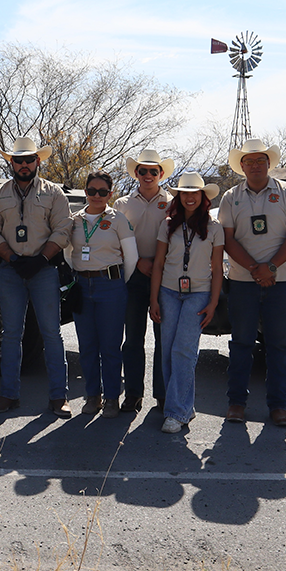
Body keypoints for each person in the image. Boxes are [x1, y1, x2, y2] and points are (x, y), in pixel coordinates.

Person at [218, 138, 286, 428]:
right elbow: (227, 239)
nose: (255, 165)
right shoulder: (230, 197)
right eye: (249, 161)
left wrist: (270, 267)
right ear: (241, 166)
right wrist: (254, 269)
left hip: (281, 281)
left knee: (279, 345)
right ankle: (236, 403)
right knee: (241, 343)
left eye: (260, 160)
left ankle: (278, 406)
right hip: (243, 281)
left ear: (269, 163)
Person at [0, 137, 73, 416]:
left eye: (29, 159)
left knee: (51, 335)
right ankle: (9, 395)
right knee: (11, 335)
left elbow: (63, 230)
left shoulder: (54, 193)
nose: (24, 165)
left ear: (38, 161)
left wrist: (42, 259)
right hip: (11, 270)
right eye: (18, 160)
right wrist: (11, 258)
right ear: (11, 162)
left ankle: (59, 397)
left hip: (43, 270)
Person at [149, 173, 224, 433]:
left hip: (199, 294)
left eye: (195, 193)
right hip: (169, 292)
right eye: (184, 193)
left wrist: (213, 302)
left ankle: (175, 412)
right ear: (178, 197)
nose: (189, 197)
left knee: (184, 350)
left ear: (203, 197)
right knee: (168, 349)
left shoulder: (214, 227)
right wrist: (154, 299)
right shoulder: (168, 224)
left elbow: (217, 268)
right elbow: (158, 263)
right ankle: (184, 407)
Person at [66, 170, 138, 416]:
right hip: (82, 287)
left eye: (103, 192)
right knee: (87, 346)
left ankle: (111, 398)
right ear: (85, 191)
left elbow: (132, 257)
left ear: (110, 193)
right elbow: (68, 253)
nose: (97, 196)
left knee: (110, 346)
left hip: (111, 287)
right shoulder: (74, 220)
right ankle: (92, 396)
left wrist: (116, 281)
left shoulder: (117, 219)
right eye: (92, 191)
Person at [114, 148, 176, 415]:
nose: (148, 175)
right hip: (133, 274)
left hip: (166, 275)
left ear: (161, 173)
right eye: (143, 170)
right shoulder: (122, 204)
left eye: (153, 171)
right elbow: (114, 239)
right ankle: (133, 394)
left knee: (165, 338)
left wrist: (158, 264)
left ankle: (162, 395)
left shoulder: (173, 201)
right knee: (133, 338)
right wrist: (139, 261)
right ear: (136, 173)